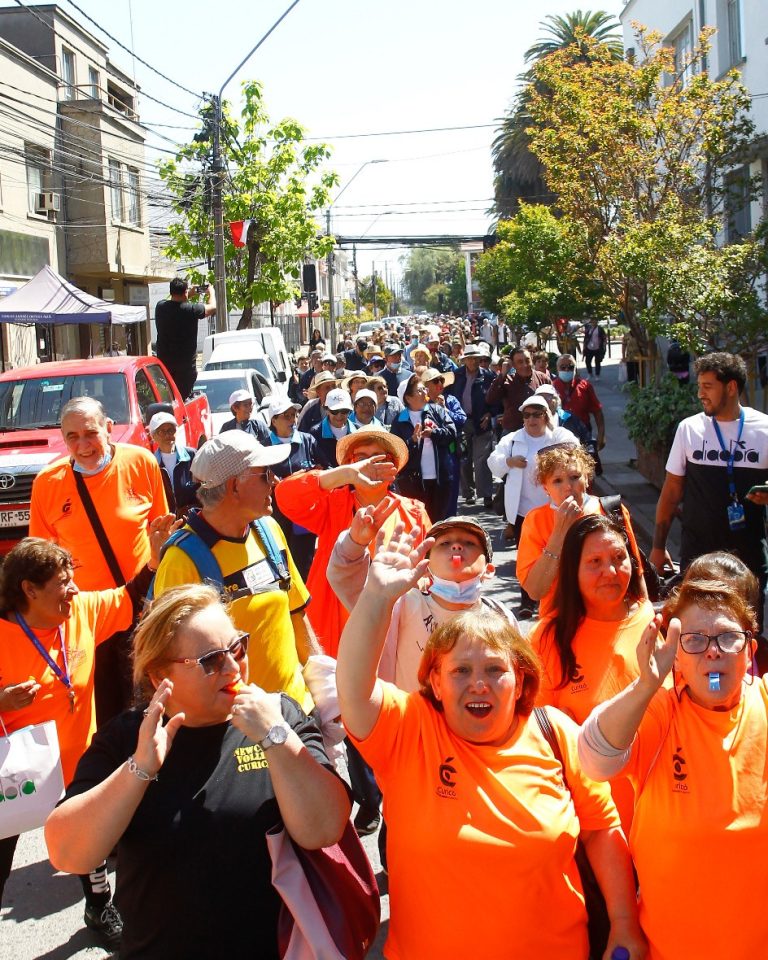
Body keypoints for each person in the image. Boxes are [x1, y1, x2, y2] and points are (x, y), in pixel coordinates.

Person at [335, 528, 642, 960]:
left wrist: (625, 923)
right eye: (460, 671)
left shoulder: (556, 733)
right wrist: (376, 597)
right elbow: (352, 690)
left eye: (495, 669)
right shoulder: (409, 730)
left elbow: (602, 829)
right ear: (435, 683)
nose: (478, 684)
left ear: (521, 681)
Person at [45, 584, 350, 960]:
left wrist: (276, 739)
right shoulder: (128, 737)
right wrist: (138, 769)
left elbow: (324, 829)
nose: (234, 667)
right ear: (159, 677)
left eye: (237, 647)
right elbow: (67, 853)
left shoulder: (279, 716)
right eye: (212, 660)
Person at [578, 574, 768, 960]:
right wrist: (644, 686)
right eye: (694, 640)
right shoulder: (660, 711)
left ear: (749, 650)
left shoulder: (764, 701)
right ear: (676, 654)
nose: (712, 652)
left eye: (727, 638)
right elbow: (594, 759)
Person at [0, 529, 172, 937]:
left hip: (77, 763)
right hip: (17, 772)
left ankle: (98, 908)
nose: (75, 590)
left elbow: (128, 598)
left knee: (90, 839)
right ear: (29, 589)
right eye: (63, 583)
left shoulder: (80, 612)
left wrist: (153, 557)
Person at [151, 431, 317, 713]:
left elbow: (297, 615)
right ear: (234, 486)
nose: (274, 481)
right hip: (238, 731)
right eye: (264, 474)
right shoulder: (181, 560)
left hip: (298, 712)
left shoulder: (270, 531)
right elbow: (170, 662)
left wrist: (322, 689)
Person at [29, 397, 169, 724]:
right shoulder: (47, 484)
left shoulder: (142, 462)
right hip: (90, 617)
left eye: (90, 433)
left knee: (151, 705)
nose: (83, 445)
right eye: (72, 437)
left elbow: (163, 535)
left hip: (142, 608)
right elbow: (42, 561)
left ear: (109, 429)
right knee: (103, 711)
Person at [529, 513, 654, 830]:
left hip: (660, 816)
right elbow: (535, 739)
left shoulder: (652, 620)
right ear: (572, 570)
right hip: (594, 828)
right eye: (595, 561)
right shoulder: (548, 639)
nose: (610, 572)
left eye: (618, 558)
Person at [275, 426, 430, 659]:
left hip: (394, 628)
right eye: (361, 458)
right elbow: (285, 495)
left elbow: (431, 568)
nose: (370, 465)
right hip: (335, 629)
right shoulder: (331, 505)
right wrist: (344, 475)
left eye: (380, 458)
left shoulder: (414, 512)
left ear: (394, 467)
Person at [650, 352, 768, 636]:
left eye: (708, 386)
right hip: (697, 552)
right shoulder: (689, 429)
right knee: (696, 632)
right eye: (699, 385)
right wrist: (657, 545)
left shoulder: (764, 429)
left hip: (748, 555)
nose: (700, 393)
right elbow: (671, 491)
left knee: (744, 633)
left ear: (730, 387)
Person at [517, 445, 645, 622]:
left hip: (614, 621)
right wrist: (559, 534)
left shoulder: (612, 510)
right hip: (561, 625)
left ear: (586, 478)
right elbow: (535, 590)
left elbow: (636, 572)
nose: (568, 487)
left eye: (575, 477)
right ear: (545, 487)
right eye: (557, 481)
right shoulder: (536, 520)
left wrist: (645, 616)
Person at [487, 395, 575, 614]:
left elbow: (575, 449)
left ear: (545, 416)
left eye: (536, 414)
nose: (531, 419)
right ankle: (528, 602)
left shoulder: (557, 436)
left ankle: (558, 601)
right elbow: (492, 461)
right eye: (527, 415)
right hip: (523, 511)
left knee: (560, 555)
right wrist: (509, 462)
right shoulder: (513, 439)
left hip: (554, 510)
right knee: (527, 557)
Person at [264, 395, 323, 583]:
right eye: (286, 416)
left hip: (303, 513)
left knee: (303, 560)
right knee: (278, 555)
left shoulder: (308, 441)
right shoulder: (264, 446)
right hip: (276, 514)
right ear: (274, 420)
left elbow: (325, 467)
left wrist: (313, 474)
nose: (293, 420)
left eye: (294, 415)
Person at [390, 374, 456, 522]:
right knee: (418, 520)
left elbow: (452, 433)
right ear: (408, 398)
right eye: (420, 390)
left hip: (440, 477)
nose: (425, 392)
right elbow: (396, 451)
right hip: (413, 481)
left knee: (438, 520)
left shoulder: (437, 411)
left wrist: (434, 433)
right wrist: (412, 441)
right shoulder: (399, 421)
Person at [447, 344, 497, 508]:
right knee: (463, 458)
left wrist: (490, 414)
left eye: (476, 358)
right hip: (462, 422)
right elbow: (448, 396)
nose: (474, 361)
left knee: (482, 459)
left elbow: (495, 399)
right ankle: (469, 493)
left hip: (481, 422)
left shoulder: (488, 376)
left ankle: (487, 495)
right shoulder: (457, 375)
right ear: (465, 360)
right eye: (470, 358)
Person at [154, 278, 216, 399]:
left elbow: (171, 300)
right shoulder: (192, 310)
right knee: (183, 399)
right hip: (185, 368)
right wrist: (211, 292)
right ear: (185, 292)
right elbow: (212, 307)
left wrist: (189, 292)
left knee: (170, 397)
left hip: (165, 366)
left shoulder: (160, 307)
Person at [422, 368, 465, 518]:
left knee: (450, 492)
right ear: (426, 385)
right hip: (428, 456)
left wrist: (445, 409)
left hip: (449, 452)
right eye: (435, 381)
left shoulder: (451, 400)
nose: (440, 383)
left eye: (441, 380)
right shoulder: (420, 404)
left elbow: (461, 419)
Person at [486, 346, 551, 435]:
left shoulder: (543, 379)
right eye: (520, 362)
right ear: (513, 364)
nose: (525, 365)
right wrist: (502, 375)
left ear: (532, 359)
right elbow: (490, 399)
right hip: (513, 432)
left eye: (527, 360)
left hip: (539, 431)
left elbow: (553, 402)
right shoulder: (506, 380)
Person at [148, 411, 199, 519]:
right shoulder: (151, 463)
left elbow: (205, 488)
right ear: (153, 436)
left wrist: (193, 509)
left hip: (192, 521)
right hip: (166, 525)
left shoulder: (192, 455)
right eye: (162, 431)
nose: (168, 435)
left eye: (171, 430)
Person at [553, 354, 606, 452]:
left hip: (583, 435)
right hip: (559, 437)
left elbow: (597, 411)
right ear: (557, 369)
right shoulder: (551, 387)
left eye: (570, 367)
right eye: (563, 367)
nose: (566, 370)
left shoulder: (585, 386)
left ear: (575, 368)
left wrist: (601, 435)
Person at [309, 387, 357, 468]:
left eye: (344, 411)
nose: (339, 415)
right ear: (326, 409)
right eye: (334, 411)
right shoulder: (315, 433)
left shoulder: (358, 431)